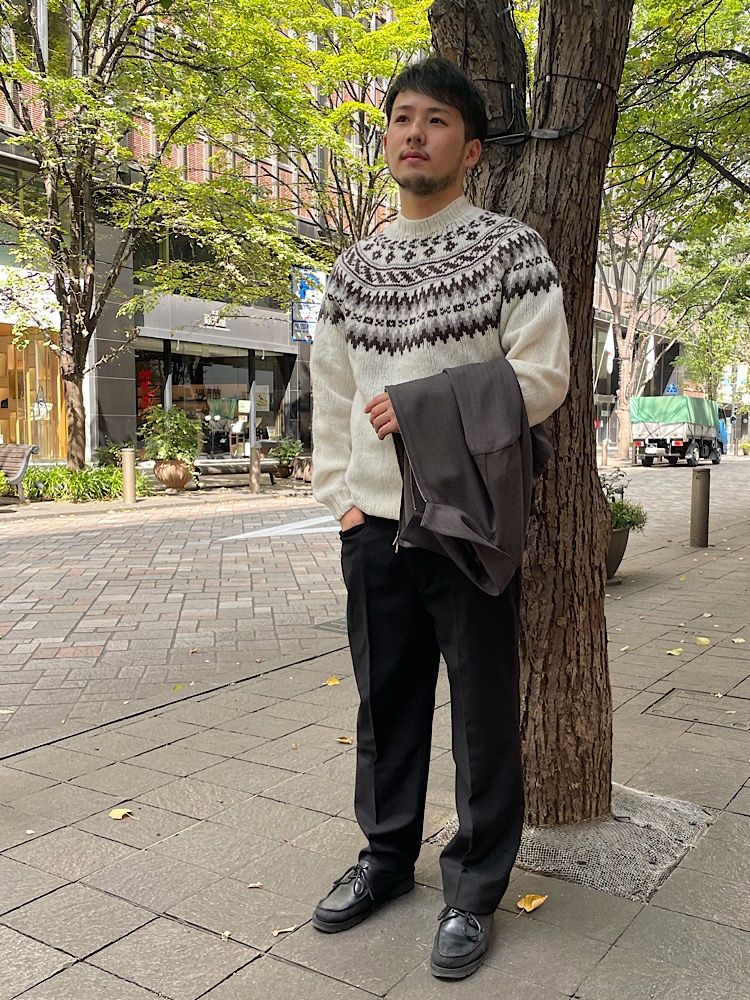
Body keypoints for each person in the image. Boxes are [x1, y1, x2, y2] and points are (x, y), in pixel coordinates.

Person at [309, 55, 569, 980]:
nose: (414, 133)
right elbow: (332, 386)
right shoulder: (354, 267)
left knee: (485, 716)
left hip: (468, 520)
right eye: (401, 118)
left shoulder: (510, 249)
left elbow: (544, 377)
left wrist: (423, 405)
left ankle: (474, 889)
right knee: (385, 707)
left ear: (472, 148)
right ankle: (386, 859)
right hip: (373, 527)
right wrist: (340, 499)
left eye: (437, 120)